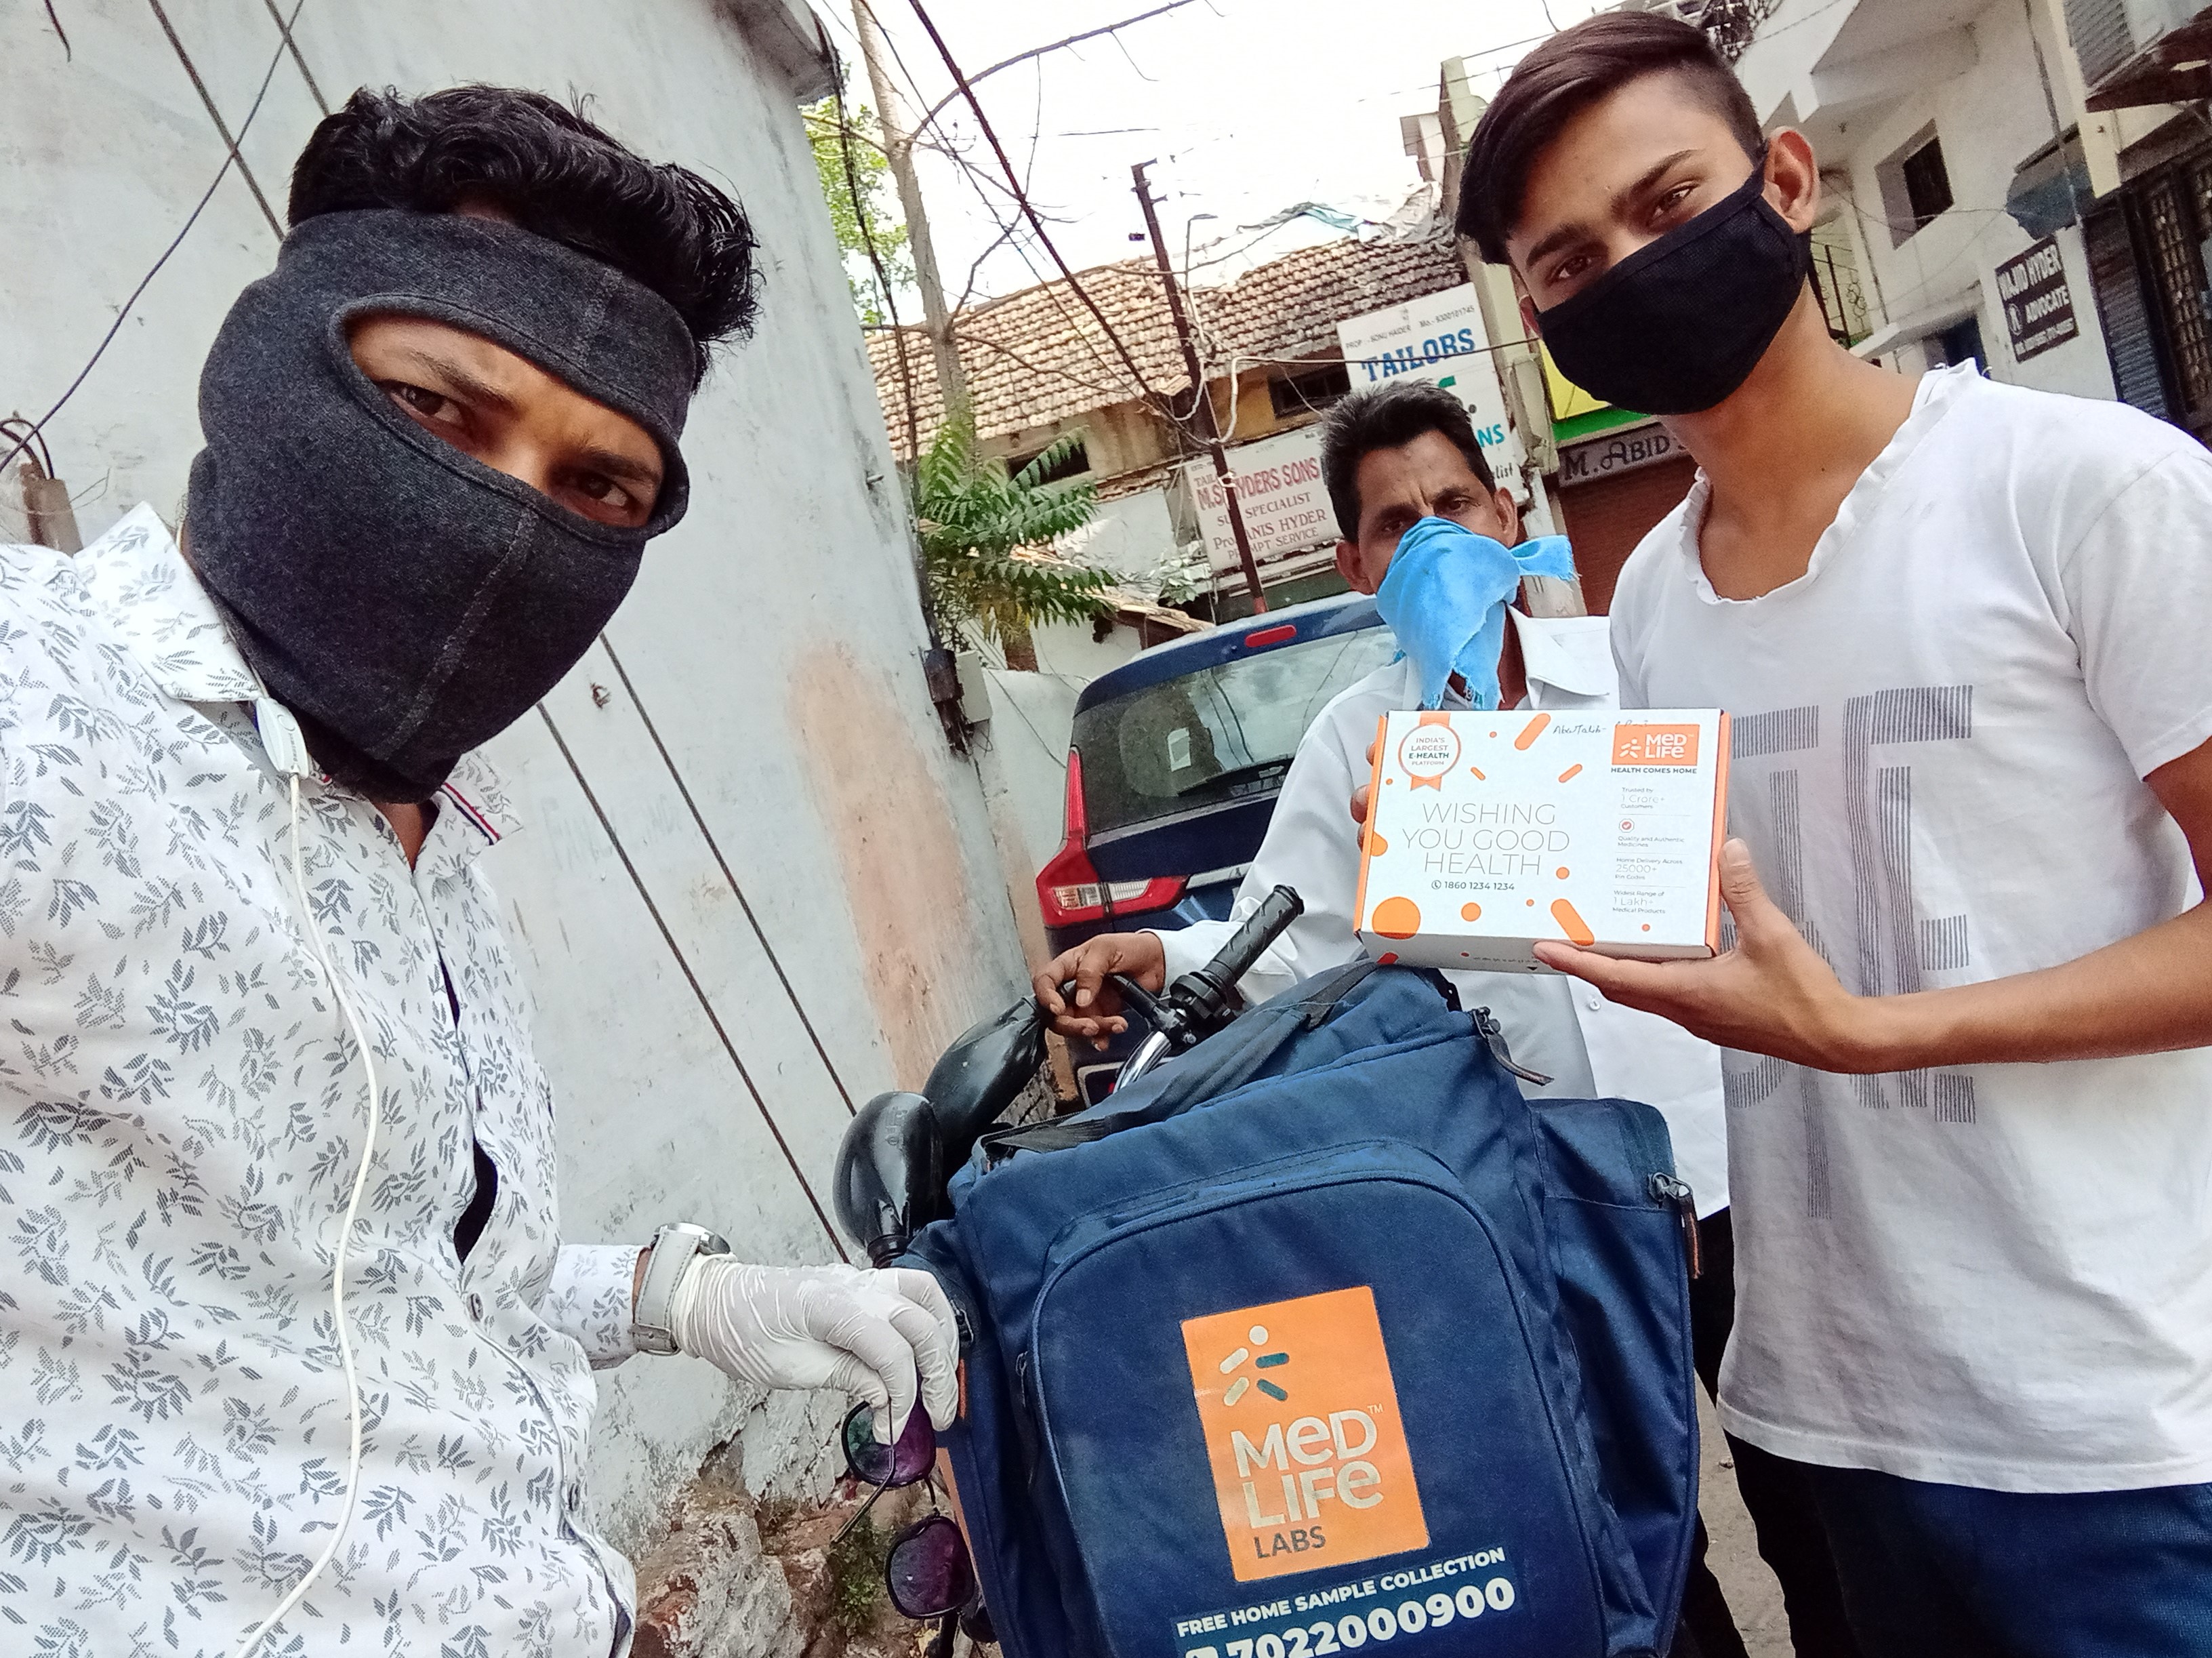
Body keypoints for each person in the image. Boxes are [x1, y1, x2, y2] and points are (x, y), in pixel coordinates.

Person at [0, 87, 955, 1657]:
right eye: (439, 409)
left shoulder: (444, 855)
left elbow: (365, 1281)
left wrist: (685, 1298)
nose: (508, 519)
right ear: (273, 360)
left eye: (601, 488)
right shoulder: (42, 702)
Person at [1457, 14, 2212, 1657]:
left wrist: (1879, 1036)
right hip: (1831, 1413)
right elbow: (1723, 921)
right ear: (1541, 319)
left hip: (2119, 1426)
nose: (1634, 269)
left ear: (1786, 180)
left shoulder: (2085, 491)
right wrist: (1470, 839)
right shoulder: (1648, 593)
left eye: (1670, 204)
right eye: (1573, 260)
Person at [1036, 379, 1783, 1658]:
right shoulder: (1361, 740)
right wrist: (1154, 941)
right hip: (1545, 1194)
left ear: (1507, 509)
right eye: (1396, 524)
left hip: (1721, 1166)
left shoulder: (1631, 663)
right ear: (1355, 562)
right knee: (1636, 1531)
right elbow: (1290, 932)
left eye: (1451, 504)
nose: (1432, 538)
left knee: (1804, 1488)